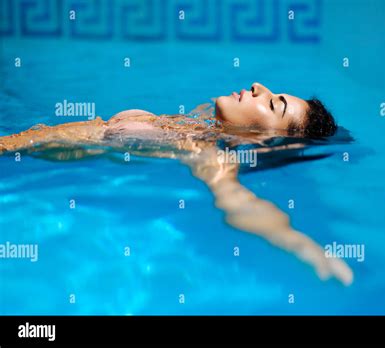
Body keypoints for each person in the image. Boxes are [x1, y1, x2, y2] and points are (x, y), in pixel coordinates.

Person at [0, 82, 352, 285]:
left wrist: (301, 245)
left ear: (263, 139)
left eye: (273, 103)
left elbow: (236, 203)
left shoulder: (208, 153)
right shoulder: (201, 124)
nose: (260, 87)